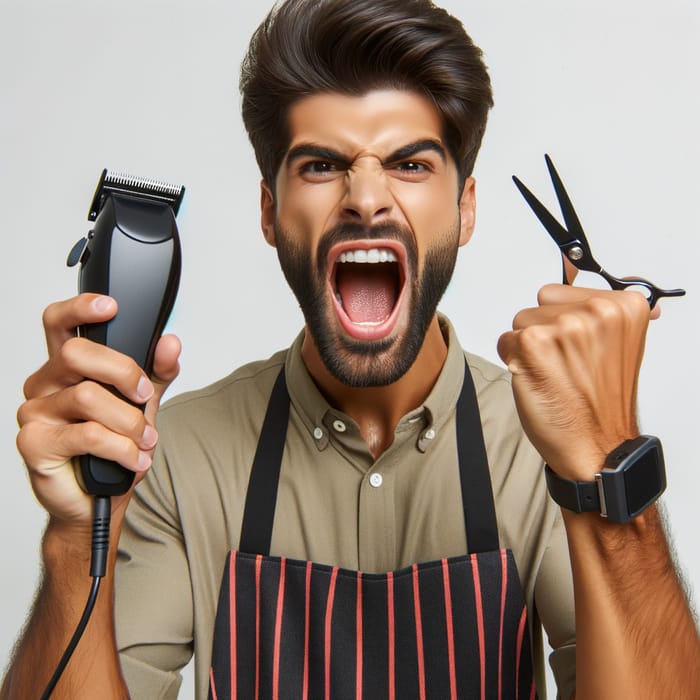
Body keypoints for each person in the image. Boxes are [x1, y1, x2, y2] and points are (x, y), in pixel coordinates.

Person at [3, 0, 699, 698]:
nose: (366, 198)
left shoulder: (544, 449)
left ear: (465, 210)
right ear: (271, 213)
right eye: (320, 165)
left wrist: (608, 466)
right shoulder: (172, 455)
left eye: (410, 163)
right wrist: (73, 540)